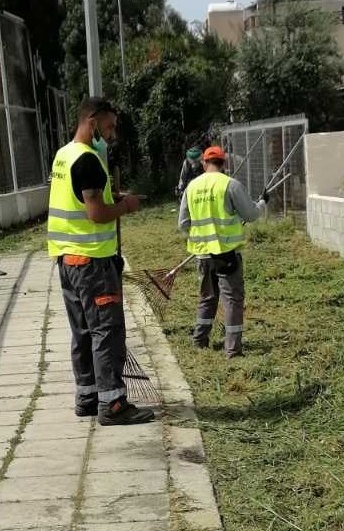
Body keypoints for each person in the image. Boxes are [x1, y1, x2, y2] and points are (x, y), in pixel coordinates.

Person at [47, 96, 153, 427]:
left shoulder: (63, 156)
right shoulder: (88, 160)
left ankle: (88, 396)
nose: (112, 132)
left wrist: (113, 198)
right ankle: (113, 404)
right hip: (92, 262)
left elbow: (83, 200)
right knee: (106, 331)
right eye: (109, 125)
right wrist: (128, 206)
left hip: (67, 260)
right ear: (91, 121)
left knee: (82, 331)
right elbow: (95, 214)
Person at [178, 145, 266, 358]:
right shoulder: (230, 185)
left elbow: (183, 223)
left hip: (202, 255)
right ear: (223, 163)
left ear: (204, 162)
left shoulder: (192, 187)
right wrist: (262, 202)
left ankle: (200, 340)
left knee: (207, 297)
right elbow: (251, 214)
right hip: (226, 255)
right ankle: (233, 349)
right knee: (233, 300)